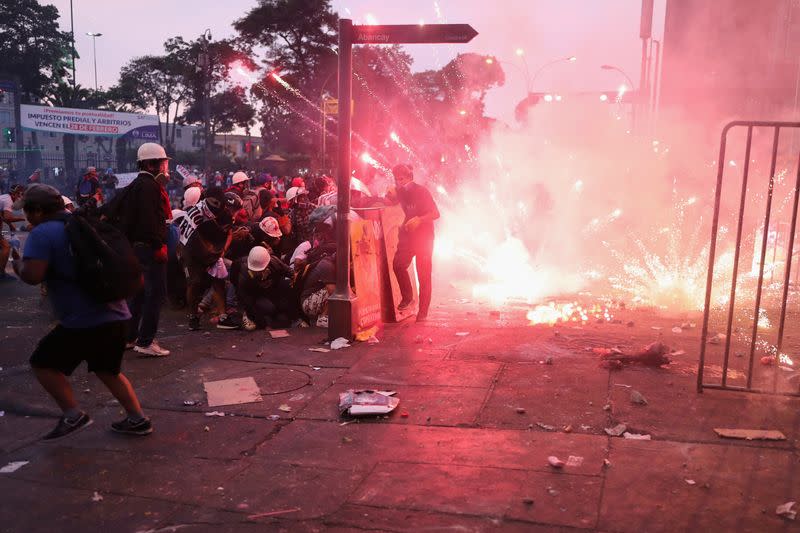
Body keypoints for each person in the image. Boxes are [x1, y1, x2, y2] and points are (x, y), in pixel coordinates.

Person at [11, 184, 152, 440]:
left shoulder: (43, 234)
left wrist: (17, 263)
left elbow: (33, 276)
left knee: (42, 363)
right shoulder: (82, 223)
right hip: (116, 314)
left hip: (83, 320)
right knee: (108, 370)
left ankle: (73, 415)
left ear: (40, 211)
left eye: (29, 211)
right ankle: (138, 419)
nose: (27, 217)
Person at [118, 143, 172, 356]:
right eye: (161, 163)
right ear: (151, 164)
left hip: (136, 248)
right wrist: (158, 245)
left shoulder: (136, 185)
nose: (164, 168)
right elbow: (150, 222)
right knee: (156, 294)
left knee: (139, 294)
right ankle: (146, 341)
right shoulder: (149, 187)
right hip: (150, 249)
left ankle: (130, 337)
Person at [174, 187, 239, 331]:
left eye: (219, 205)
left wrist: (221, 250)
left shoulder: (225, 213)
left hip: (213, 250)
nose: (216, 208)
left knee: (219, 280)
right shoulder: (195, 214)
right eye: (213, 205)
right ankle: (193, 316)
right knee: (194, 283)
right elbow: (187, 242)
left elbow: (228, 233)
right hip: (190, 251)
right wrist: (208, 254)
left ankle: (223, 317)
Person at [386, 164, 440, 322]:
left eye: (401, 179)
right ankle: (408, 297)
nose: (399, 182)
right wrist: (388, 195)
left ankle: (422, 313)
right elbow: (390, 202)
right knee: (398, 264)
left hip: (424, 238)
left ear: (409, 177)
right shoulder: (400, 192)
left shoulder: (422, 191)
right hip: (407, 237)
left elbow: (436, 213)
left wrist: (420, 220)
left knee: (424, 275)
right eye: (396, 179)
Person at [0, 184, 25, 280]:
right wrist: (22, 218)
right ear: (14, 194)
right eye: (19, 194)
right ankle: (1, 274)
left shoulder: (5, 198)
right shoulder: (8, 201)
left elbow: (2, 216)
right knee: (5, 246)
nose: (20, 197)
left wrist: (10, 225)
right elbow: (7, 217)